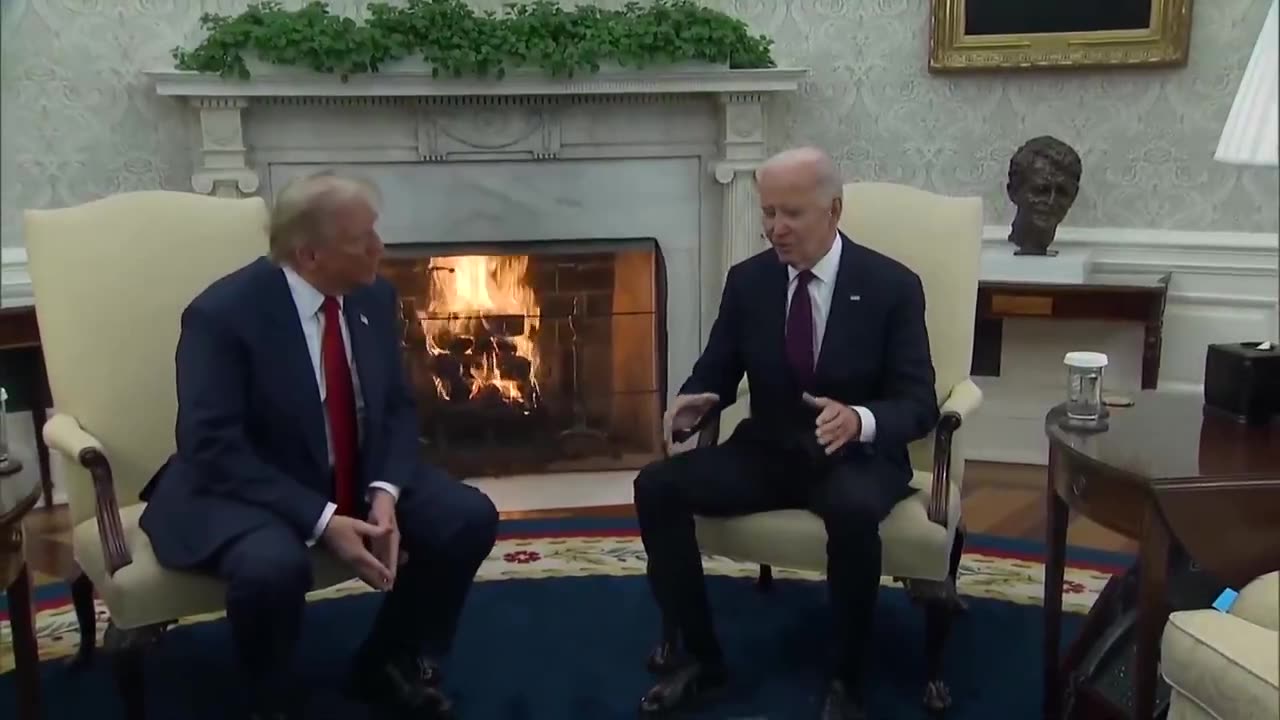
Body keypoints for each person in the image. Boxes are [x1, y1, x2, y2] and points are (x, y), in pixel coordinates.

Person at [139, 171, 498, 720]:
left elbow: (397, 407)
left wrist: (384, 492)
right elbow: (211, 446)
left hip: (351, 468)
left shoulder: (374, 295)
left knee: (467, 517)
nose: (381, 247)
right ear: (309, 254)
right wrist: (323, 518)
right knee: (271, 568)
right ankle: (271, 697)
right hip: (250, 484)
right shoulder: (222, 315)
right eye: (363, 239)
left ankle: (386, 662)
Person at [633, 147, 939, 720]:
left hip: (857, 457)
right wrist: (697, 400)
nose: (776, 228)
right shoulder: (749, 281)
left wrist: (860, 420)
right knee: (656, 485)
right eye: (768, 212)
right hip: (769, 450)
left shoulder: (892, 285)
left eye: (792, 213)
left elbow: (918, 402)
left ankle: (847, 678)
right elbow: (717, 368)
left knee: (851, 512)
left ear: (834, 210)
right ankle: (701, 658)